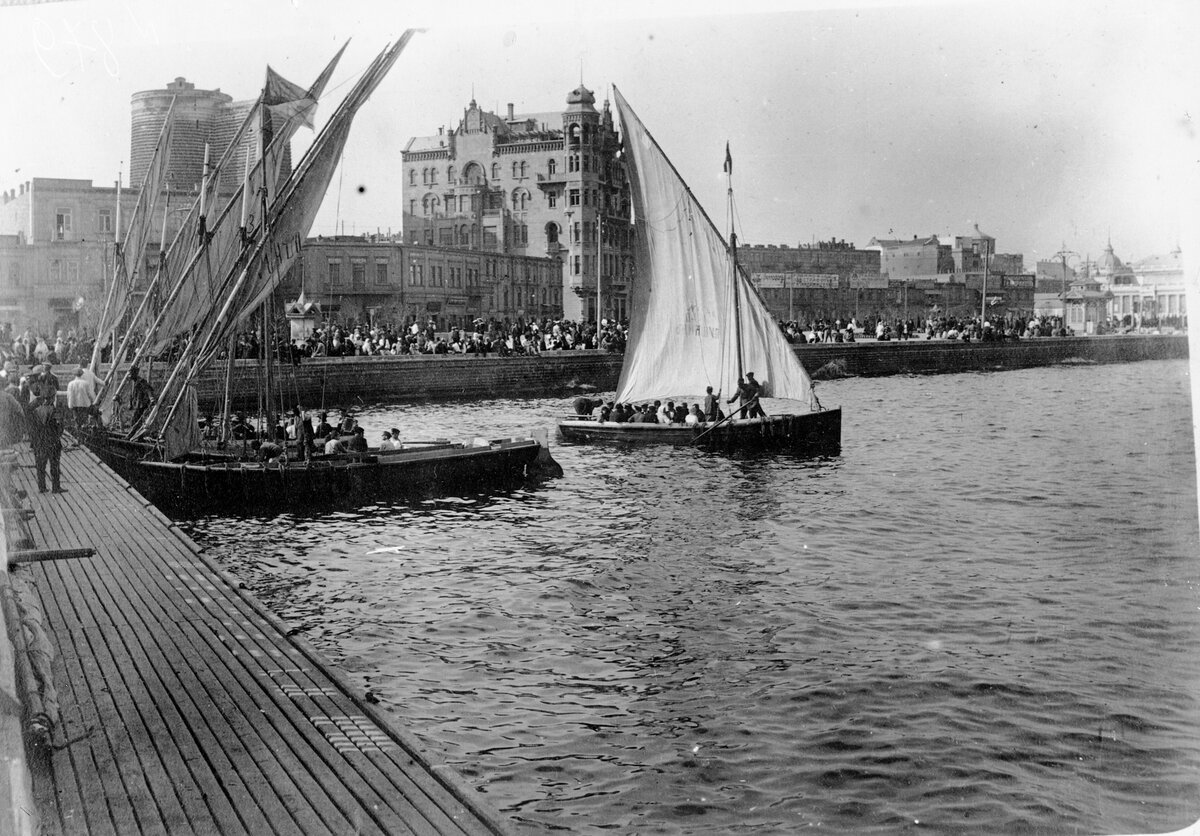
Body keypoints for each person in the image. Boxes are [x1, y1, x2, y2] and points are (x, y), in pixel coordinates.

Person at [28, 394, 64, 493]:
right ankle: (56, 487)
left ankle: (42, 487)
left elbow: (32, 428)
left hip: (40, 441)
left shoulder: (36, 411)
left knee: (40, 465)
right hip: (53, 441)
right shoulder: (55, 411)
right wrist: (56, 435)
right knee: (54, 465)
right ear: (52, 398)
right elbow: (60, 427)